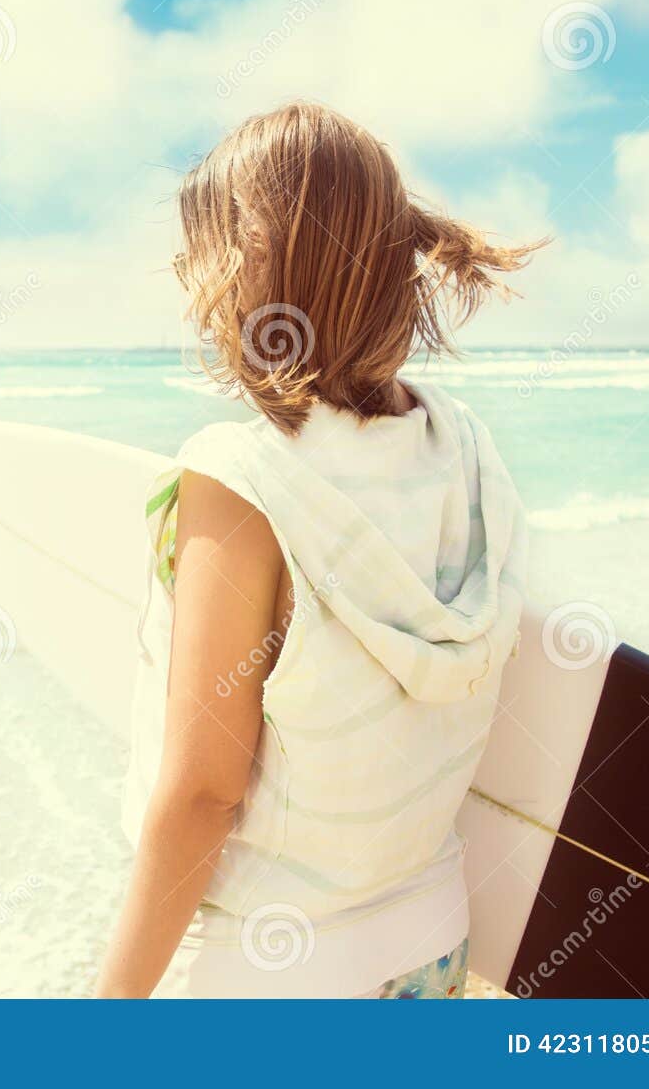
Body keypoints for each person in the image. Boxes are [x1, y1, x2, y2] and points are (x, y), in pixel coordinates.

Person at [95, 101, 543, 998]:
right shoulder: (462, 448)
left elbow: (202, 796)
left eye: (199, 259)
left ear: (246, 273)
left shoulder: (237, 482)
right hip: (430, 943)